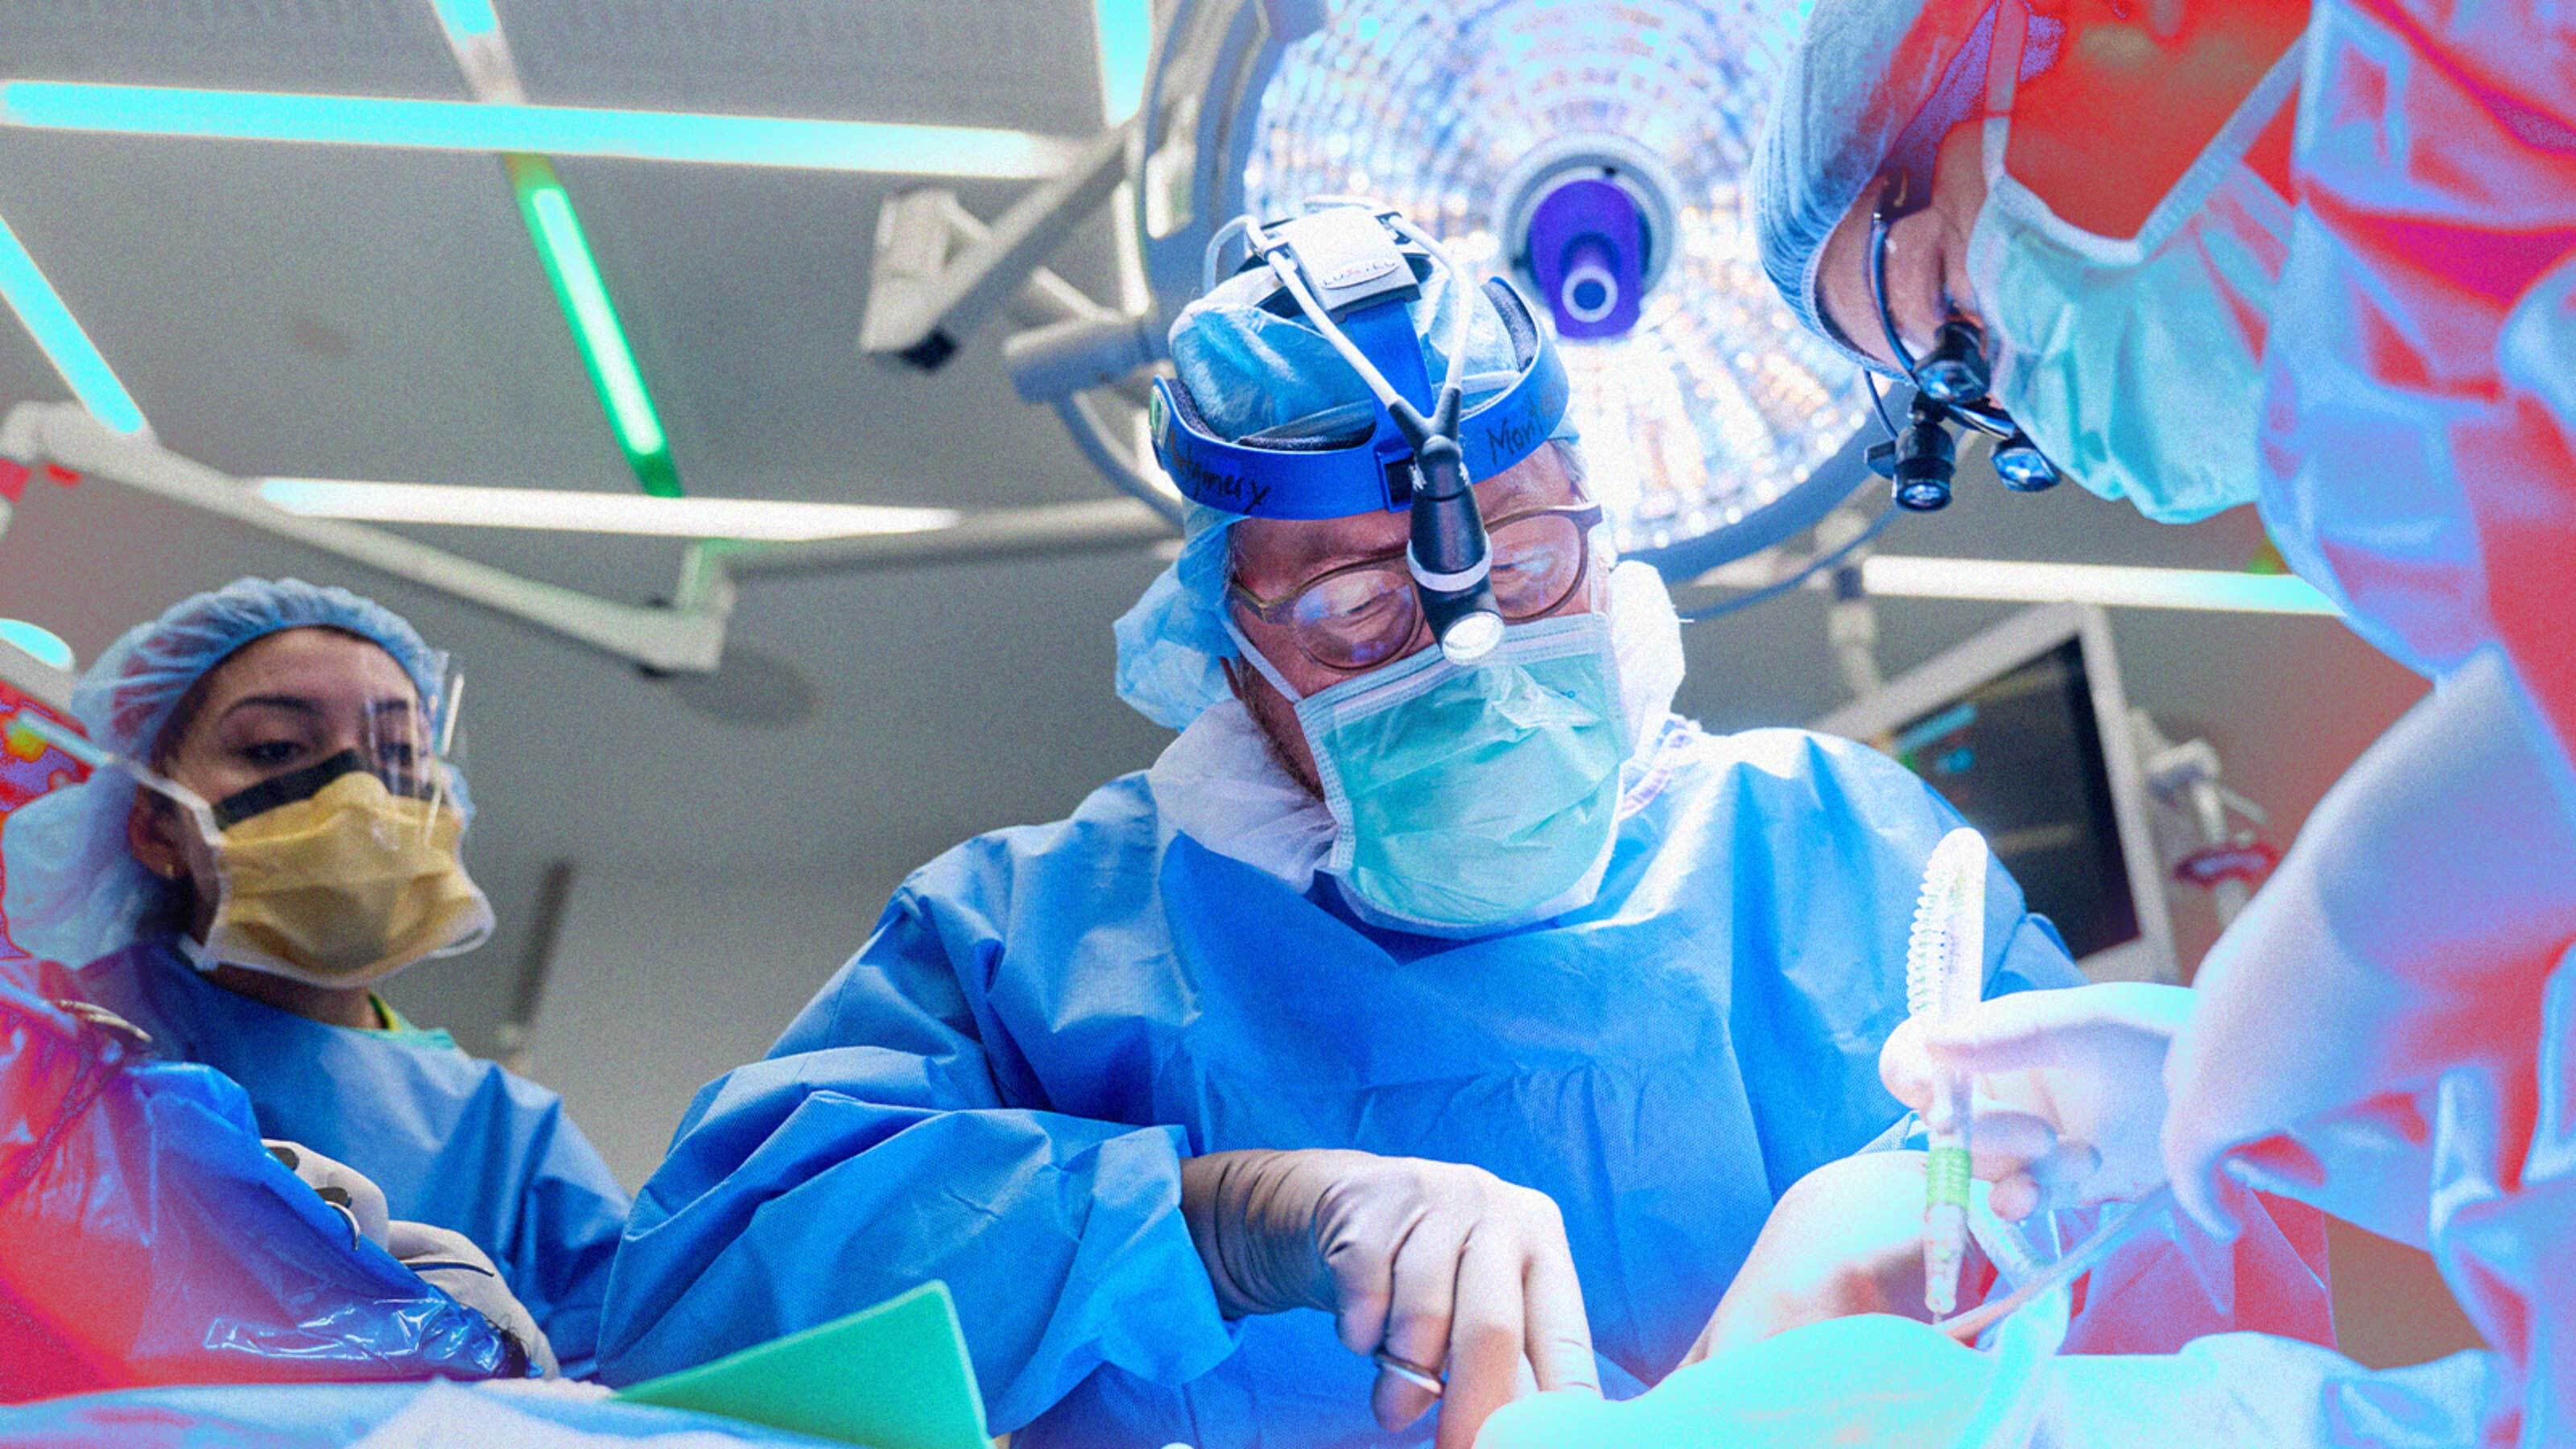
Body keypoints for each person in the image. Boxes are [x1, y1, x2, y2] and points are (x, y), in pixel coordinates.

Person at [595, 209, 2326, 1447]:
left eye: (1524, 558)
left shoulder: (1833, 860)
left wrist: (1891, 1291)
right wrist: (1199, 1216)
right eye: (1357, 606)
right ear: (1225, 646)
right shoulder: (1035, 944)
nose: (1469, 648)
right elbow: (687, 1308)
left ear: (1603, 531)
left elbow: (2175, 1306)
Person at [1756, 0, 2575, 1440]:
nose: (2017, 397)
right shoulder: (2467, 452)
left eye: (1951, 320)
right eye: (1968, 399)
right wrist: (2329, 1103)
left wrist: (2366, 922)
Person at [0, 577, 632, 1378]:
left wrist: (528, 1376)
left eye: (400, 754)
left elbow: (628, 1396)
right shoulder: (43, 1039)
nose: (360, 795)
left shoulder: (508, 1143)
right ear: (156, 826)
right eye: (274, 748)